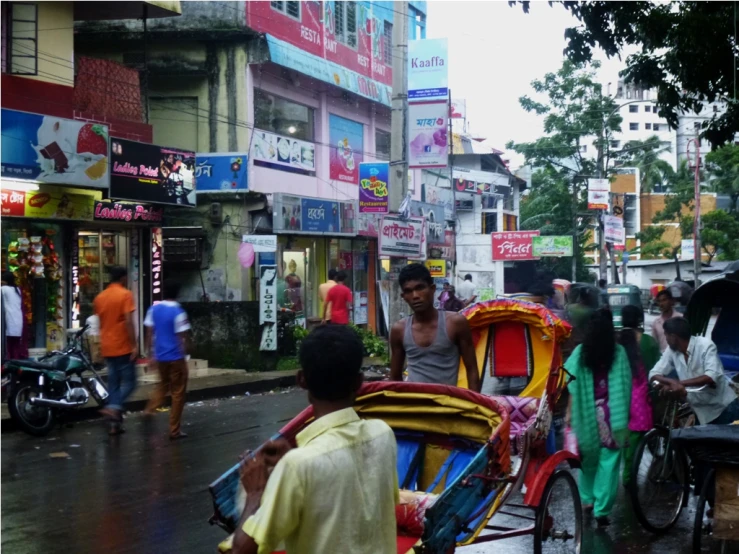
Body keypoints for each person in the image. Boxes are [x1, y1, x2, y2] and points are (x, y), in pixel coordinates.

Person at [230, 325, 398, 554]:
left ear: (301, 380)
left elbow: (242, 550)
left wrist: (255, 494)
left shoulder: (299, 464)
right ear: (359, 381)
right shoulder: (383, 434)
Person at [565, 308, 632, 527]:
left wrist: (568, 412)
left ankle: (587, 501)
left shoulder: (580, 352)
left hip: (586, 414)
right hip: (613, 415)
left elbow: (571, 385)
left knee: (587, 460)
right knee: (609, 462)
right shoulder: (619, 352)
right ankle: (602, 510)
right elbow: (625, 384)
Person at [390, 263, 480, 391]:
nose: (415, 296)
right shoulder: (399, 329)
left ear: (432, 289)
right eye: (408, 291)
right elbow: (394, 377)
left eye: (420, 288)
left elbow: (472, 371)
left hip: (448, 406)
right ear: (403, 297)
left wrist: (474, 407)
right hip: (413, 405)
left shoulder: (455, 323)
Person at [649, 317, 738, 425]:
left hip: (722, 408)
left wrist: (679, 383)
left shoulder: (705, 345)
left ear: (673, 337)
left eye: (666, 335)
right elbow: (653, 373)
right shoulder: (672, 351)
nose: (665, 338)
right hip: (700, 411)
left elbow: (711, 376)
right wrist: (670, 382)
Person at [143, 279, 192, 440]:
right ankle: (174, 429)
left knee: (163, 386)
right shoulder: (179, 312)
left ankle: (150, 409)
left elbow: (149, 333)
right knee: (178, 393)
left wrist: (150, 355)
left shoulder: (153, 309)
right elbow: (183, 337)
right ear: (178, 294)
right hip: (176, 357)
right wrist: (185, 356)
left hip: (160, 356)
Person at [618, 305, 660, 488]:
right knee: (641, 435)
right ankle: (636, 471)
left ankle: (624, 474)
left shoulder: (616, 342)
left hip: (617, 397)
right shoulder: (648, 342)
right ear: (639, 319)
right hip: (640, 399)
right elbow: (656, 370)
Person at [94, 266, 137, 434]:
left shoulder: (100, 297)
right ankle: (113, 407)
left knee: (113, 384)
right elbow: (128, 322)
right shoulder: (125, 295)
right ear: (123, 278)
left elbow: (100, 323)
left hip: (107, 346)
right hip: (122, 346)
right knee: (130, 383)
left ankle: (114, 426)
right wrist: (134, 345)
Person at [1, 271, 27, 361]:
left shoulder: (3, 289)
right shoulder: (17, 290)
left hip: (8, 321)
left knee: (7, 347)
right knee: (15, 346)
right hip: (18, 321)